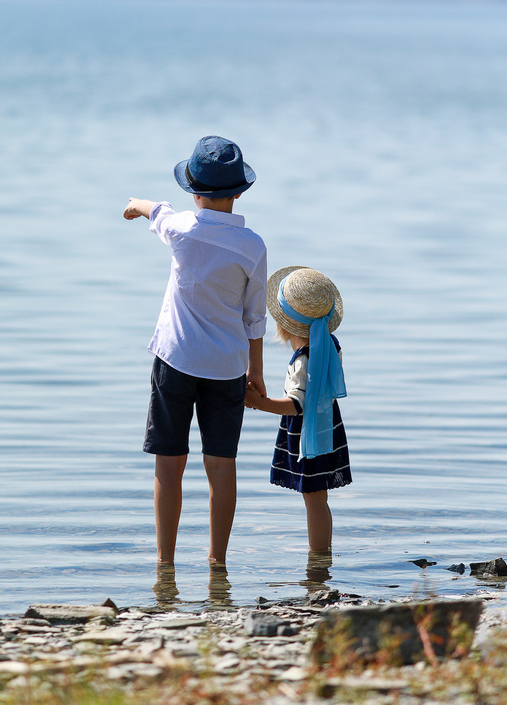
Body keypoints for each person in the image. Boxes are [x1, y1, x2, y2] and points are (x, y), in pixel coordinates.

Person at [121, 135, 268, 566]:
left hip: (176, 359)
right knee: (221, 466)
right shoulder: (252, 246)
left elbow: (156, 210)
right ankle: (217, 562)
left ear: (193, 189)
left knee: (170, 464)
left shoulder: (182, 229)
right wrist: (254, 371)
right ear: (239, 191)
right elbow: (254, 316)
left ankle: (165, 564)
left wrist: (135, 204)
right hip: (227, 366)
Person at [244, 265, 350, 555]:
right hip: (327, 426)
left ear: (284, 324)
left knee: (313, 497)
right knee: (319, 497)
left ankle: (318, 561)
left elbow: (296, 405)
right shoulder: (330, 345)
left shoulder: (305, 359)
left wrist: (259, 403)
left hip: (311, 432)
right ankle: (323, 556)